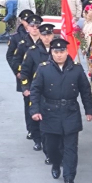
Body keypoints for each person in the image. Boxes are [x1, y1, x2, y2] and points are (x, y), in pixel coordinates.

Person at [30, 38, 92, 183]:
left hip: (70, 111)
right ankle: (56, 163)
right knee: (52, 146)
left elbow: (85, 91)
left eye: (62, 52)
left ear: (67, 52)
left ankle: (69, 177)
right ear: (51, 53)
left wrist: (89, 110)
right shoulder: (43, 68)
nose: (59, 55)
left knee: (71, 147)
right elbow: (35, 91)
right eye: (55, 52)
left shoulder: (76, 69)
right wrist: (35, 110)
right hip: (50, 112)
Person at [20, 23, 55, 158]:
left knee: (50, 118)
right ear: (40, 35)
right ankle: (37, 139)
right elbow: (25, 72)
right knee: (35, 115)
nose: (47, 38)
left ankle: (49, 143)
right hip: (36, 90)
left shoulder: (58, 51)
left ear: (53, 35)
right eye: (44, 35)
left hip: (53, 91)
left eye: (49, 35)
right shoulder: (33, 51)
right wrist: (25, 88)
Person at [11, 14, 43, 138]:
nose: (35, 28)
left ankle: (43, 131)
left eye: (38, 26)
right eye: (32, 26)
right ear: (27, 28)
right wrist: (19, 73)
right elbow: (15, 60)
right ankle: (32, 130)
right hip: (28, 80)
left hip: (44, 80)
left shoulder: (45, 41)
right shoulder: (23, 43)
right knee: (29, 105)